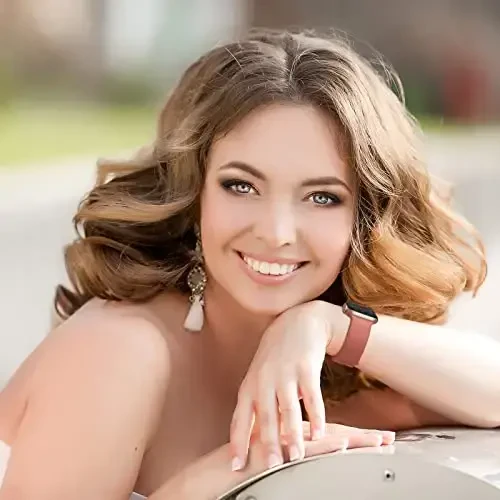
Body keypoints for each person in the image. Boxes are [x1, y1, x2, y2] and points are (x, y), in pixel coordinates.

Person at [0, 28, 498, 500]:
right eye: (241, 186)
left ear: (365, 219)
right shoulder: (118, 351)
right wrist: (216, 479)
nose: (277, 232)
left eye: (322, 197)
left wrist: (329, 326)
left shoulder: (317, 365)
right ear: (193, 193)